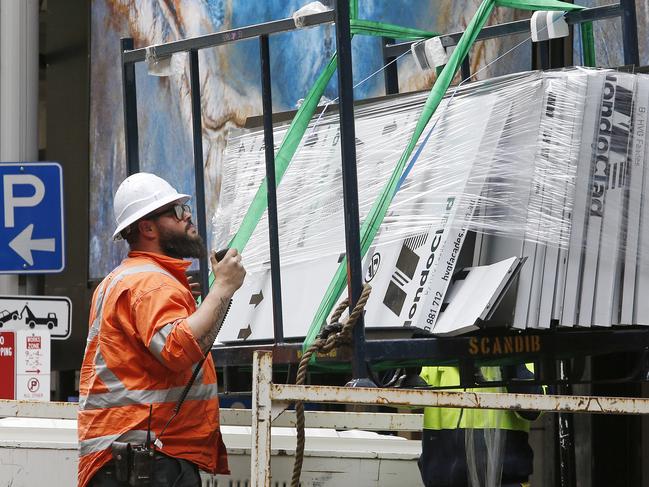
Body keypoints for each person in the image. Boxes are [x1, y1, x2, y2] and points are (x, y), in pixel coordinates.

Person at [78, 172, 246, 487]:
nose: (188, 218)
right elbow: (177, 349)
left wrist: (212, 302)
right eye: (177, 212)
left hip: (136, 453)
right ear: (147, 227)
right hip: (146, 457)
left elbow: (182, 349)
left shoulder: (133, 278)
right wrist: (221, 289)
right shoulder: (149, 282)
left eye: (186, 209)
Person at [418, 364, 542, 487]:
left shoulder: (525, 350)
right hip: (444, 480)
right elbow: (403, 395)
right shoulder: (439, 351)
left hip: (507, 481)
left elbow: (534, 408)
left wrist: (511, 360)